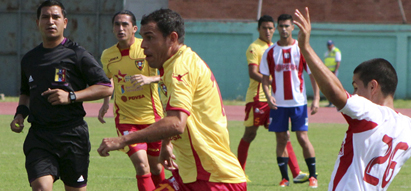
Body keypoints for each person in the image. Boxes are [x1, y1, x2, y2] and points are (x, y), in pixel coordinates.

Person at [97, 8, 247, 190]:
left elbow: (176, 122)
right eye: (143, 38)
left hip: (212, 179)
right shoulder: (172, 65)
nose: (143, 45)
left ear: (172, 38)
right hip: (191, 175)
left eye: (150, 38)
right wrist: (167, 143)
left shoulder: (179, 69)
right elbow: (177, 113)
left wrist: (122, 140)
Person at [294, 7, 411, 191]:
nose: (354, 93)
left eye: (356, 87)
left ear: (373, 86)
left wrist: (305, 48)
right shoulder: (407, 127)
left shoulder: (369, 113)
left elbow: (336, 93)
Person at [9, 1, 113, 191]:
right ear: (37, 22)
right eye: (45, 17)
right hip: (40, 136)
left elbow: (106, 87)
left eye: (55, 17)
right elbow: (26, 92)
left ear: (65, 22)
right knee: (41, 187)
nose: (50, 21)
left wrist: (71, 96)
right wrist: (20, 114)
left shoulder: (77, 54)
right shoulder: (29, 59)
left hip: (72, 136)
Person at [237, 15, 309, 183]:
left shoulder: (275, 47)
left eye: (271, 28)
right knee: (249, 134)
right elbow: (253, 72)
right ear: (259, 29)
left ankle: (296, 173)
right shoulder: (255, 47)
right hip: (258, 99)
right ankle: (238, 173)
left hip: (276, 101)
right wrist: (271, 81)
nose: (268, 31)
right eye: (264, 28)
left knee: (284, 135)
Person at [98, 10, 165, 190]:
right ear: (112, 29)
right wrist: (106, 102)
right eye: (117, 24)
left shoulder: (148, 47)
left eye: (125, 24)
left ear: (134, 28)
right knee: (142, 166)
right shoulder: (107, 55)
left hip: (153, 118)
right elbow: (108, 79)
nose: (120, 28)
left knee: (156, 168)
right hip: (127, 120)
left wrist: (149, 79)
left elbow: (167, 74)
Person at [260, 13, 320, 188]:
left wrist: (316, 98)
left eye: (287, 26)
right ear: (277, 28)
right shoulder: (270, 52)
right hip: (278, 104)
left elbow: (312, 75)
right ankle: (285, 178)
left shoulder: (301, 49)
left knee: (302, 138)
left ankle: (313, 176)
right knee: (280, 139)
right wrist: (268, 95)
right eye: (281, 26)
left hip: (298, 103)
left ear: (293, 28)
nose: (284, 29)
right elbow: (264, 78)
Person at [323, 40, 341, 107]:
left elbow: (338, 62)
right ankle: (330, 102)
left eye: (330, 45)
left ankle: (335, 102)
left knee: (334, 87)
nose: (329, 46)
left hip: (333, 72)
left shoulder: (336, 51)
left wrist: (335, 71)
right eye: (328, 45)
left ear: (333, 45)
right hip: (327, 72)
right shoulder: (326, 53)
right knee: (328, 87)